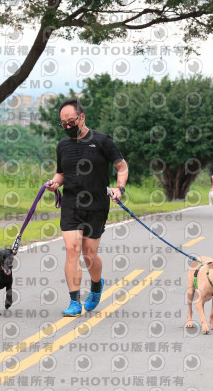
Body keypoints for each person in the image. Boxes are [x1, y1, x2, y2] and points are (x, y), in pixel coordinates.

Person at [46, 98, 128, 317]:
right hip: (71, 203)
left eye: (71, 122)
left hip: (96, 204)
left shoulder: (102, 141)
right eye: (63, 124)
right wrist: (55, 183)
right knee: (71, 249)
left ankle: (96, 284)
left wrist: (119, 188)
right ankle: (74, 301)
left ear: (82, 117)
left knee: (89, 254)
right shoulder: (63, 145)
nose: (67, 127)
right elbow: (61, 173)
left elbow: (122, 167)